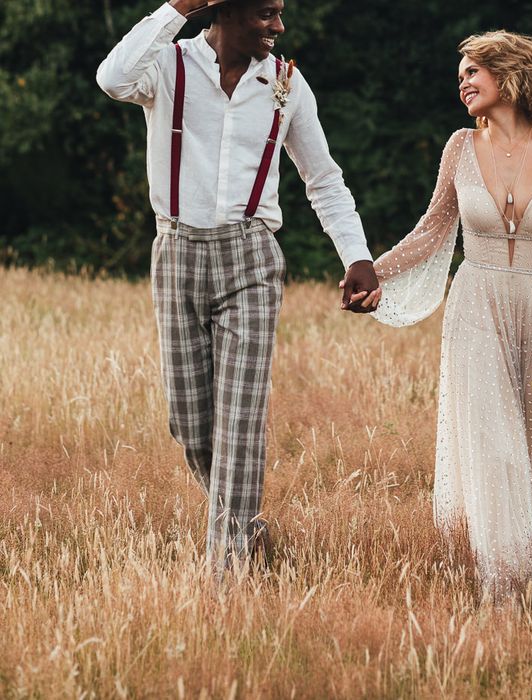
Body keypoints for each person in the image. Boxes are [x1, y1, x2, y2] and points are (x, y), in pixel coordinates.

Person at [96, 0, 379, 571]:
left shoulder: (288, 86)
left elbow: (322, 177)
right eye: (266, 14)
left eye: (279, 14)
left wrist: (357, 255)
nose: (278, 26)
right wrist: (177, 6)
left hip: (251, 258)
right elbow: (111, 78)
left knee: (241, 420)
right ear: (222, 13)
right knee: (189, 420)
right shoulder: (167, 67)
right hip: (176, 251)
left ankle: (228, 575)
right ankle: (246, 527)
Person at [366, 31, 532, 598]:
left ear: (510, 75)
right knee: (492, 437)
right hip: (476, 305)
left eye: (473, 71)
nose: (462, 82)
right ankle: (502, 581)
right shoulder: (459, 147)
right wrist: (373, 272)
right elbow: (432, 230)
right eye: (462, 73)